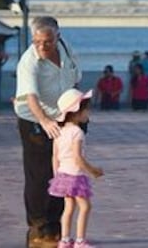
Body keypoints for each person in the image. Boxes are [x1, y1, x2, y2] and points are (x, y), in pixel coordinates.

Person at [14, 16, 81, 248]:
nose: (42, 47)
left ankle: (56, 224)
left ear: (58, 38)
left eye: (47, 42)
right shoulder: (28, 62)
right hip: (34, 119)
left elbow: (74, 81)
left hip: (63, 116)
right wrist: (44, 121)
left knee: (64, 172)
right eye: (37, 42)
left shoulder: (66, 49)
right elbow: (30, 97)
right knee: (40, 174)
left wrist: (78, 114)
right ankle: (38, 225)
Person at [49, 89, 103, 248]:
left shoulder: (60, 132)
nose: (88, 113)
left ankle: (65, 239)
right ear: (76, 112)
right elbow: (78, 158)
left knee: (68, 208)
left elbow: (55, 156)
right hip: (75, 176)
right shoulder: (77, 133)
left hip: (63, 175)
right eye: (86, 109)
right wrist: (93, 171)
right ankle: (80, 240)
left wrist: (56, 175)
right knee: (85, 207)